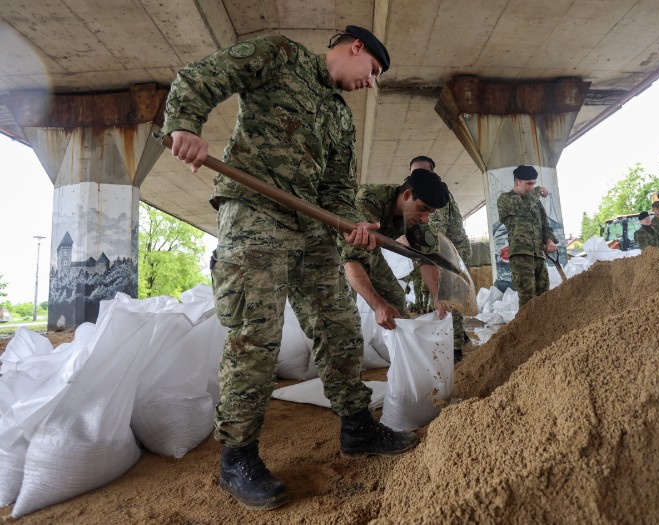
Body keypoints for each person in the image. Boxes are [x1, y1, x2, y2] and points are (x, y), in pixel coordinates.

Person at [161, 25, 419, 510]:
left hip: (312, 233)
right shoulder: (279, 55)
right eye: (374, 70)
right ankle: (238, 457)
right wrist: (186, 125)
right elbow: (202, 77)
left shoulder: (342, 120)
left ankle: (358, 427)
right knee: (255, 336)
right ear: (355, 48)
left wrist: (349, 224)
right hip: (254, 215)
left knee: (340, 327)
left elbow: (339, 187)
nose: (373, 82)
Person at [341, 169, 450, 330]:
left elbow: (427, 257)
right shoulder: (370, 199)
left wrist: (437, 296)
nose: (424, 218)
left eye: (430, 213)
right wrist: (378, 305)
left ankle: (400, 349)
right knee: (342, 309)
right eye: (423, 208)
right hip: (334, 248)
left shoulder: (415, 218)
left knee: (396, 299)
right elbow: (352, 259)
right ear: (407, 195)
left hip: (369, 250)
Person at [408, 155, 472, 361]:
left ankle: (454, 350)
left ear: (432, 174)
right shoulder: (418, 193)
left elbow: (434, 238)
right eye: (414, 173)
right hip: (442, 250)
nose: (417, 177)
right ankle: (458, 335)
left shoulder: (434, 196)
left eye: (422, 172)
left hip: (451, 253)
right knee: (445, 297)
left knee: (450, 296)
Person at [496, 165, 558, 308]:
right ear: (517, 182)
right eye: (529, 183)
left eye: (534, 184)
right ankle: (526, 330)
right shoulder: (505, 199)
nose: (532, 187)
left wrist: (549, 241)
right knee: (527, 299)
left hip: (539, 255)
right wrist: (536, 192)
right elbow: (522, 209)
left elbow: (545, 225)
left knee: (544, 296)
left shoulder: (535, 202)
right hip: (521, 256)